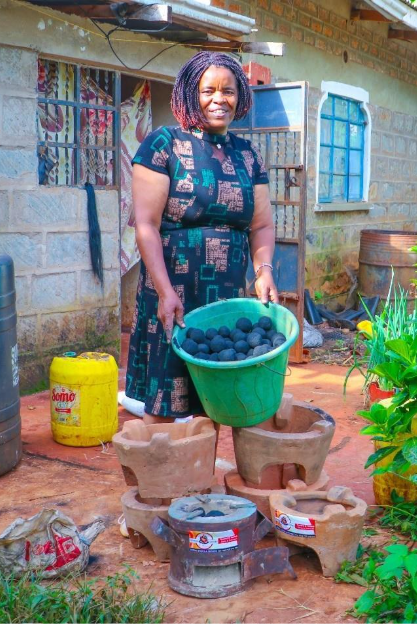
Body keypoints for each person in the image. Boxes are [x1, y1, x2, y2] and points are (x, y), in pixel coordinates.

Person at [125, 51, 279, 420]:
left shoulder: (247, 155)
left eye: (228, 90)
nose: (218, 99)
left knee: (217, 398)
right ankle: (160, 475)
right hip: (171, 288)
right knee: (165, 397)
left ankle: (198, 475)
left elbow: (261, 225)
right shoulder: (164, 145)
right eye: (208, 90)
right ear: (190, 94)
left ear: (239, 96)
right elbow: (146, 224)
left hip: (224, 295)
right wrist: (164, 292)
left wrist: (265, 271)